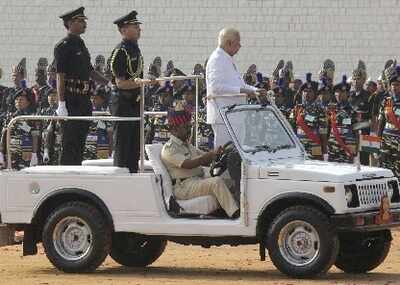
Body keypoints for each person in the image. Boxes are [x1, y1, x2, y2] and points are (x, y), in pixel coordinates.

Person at [161, 103, 239, 218]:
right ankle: (236, 215)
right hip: (183, 186)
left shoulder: (187, 145)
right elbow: (188, 164)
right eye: (186, 127)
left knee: (230, 181)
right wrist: (210, 155)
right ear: (175, 128)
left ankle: (238, 208)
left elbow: (205, 158)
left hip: (196, 180)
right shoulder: (169, 149)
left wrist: (219, 153)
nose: (189, 130)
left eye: (189, 127)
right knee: (216, 182)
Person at [54, 7, 108, 165]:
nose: (85, 24)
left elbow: (89, 70)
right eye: (81, 21)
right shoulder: (63, 46)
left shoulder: (81, 44)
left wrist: (108, 83)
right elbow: (60, 76)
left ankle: (76, 170)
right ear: (70, 23)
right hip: (71, 99)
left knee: (80, 140)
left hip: (84, 99)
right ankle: (65, 174)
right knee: (69, 141)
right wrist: (61, 103)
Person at [206, 28, 267, 148]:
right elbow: (215, 87)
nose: (240, 47)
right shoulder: (217, 59)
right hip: (223, 116)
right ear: (228, 43)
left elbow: (240, 85)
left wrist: (255, 91)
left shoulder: (227, 59)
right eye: (237, 43)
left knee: (236, 155)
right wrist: (243, 91)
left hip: (234, 115)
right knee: (225, 155)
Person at [109, 10, 144, 173]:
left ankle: (132, 175)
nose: (139, 29)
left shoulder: (135, 49)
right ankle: (121, 178)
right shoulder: (121, 52)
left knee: (134, 147)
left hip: (134, 102)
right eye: (135, 26)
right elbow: (121, 83)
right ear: (123, 30)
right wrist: (141, 83)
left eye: (138, 26)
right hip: (122, 103)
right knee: (122, 146)